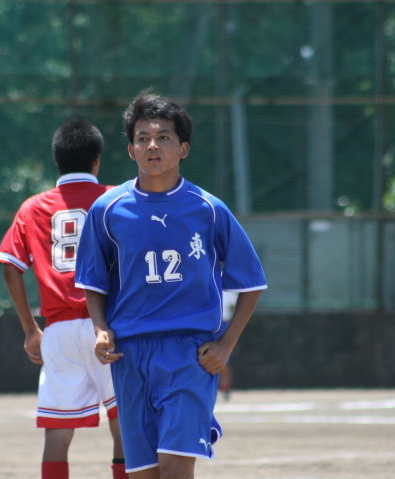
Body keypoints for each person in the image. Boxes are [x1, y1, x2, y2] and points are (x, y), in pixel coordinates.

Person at [75, 89, 267, 478]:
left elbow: (251, 282)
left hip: (189, 353)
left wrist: (227, 344)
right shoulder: (107, 209)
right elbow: (93, 280)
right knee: (143, 474)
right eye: (143, 138)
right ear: (131, 150)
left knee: (176, 470)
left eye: (164, 137)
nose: (152, 145)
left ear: (183, 149)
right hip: (130, 355)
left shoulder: (209, 209)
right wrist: (99, 328)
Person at [0, 119, 128, 479]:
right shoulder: (116, 198)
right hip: (108, 327)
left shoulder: (32, 207)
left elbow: (10, 268)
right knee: (124, 426)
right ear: (97, 160)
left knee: (57, 433)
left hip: (58, 331)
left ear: (56, 160)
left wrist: (30, 330)